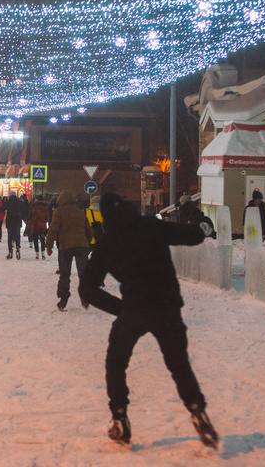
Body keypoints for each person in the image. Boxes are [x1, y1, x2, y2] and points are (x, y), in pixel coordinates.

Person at [78, 192, 218, 449]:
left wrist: (122, 309)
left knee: (116, 363)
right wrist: (202, 227)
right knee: (179, 365)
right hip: (167, 306)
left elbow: (86, 289)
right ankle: (198, 410)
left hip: (134, 309)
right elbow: (192, 236)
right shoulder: (150, 225)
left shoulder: (107, 243)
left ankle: (120, 418)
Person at [45, 190, 93, 311]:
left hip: (66, 247)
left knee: (65, 273)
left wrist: (48, 245)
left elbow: (53, 229)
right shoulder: (80, 212)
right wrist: (86, 244)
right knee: (83, 273)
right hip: (81, 246)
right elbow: (90, 231)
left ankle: (63, 299)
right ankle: (86, 297)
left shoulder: (59, 211)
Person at [0, 191, 24, 260]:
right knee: (17, 235)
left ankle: (10, 251)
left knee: (10, 237)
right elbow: (24, 211)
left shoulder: (7, 202)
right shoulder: (20, 202)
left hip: (10, 222)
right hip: (17, 222)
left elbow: (0, 210)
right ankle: (17, 247)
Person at [28, 195, 49, 260]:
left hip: (35, 225)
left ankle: (37, 254)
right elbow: (47, 217)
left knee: (35, 240)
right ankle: (43, 253)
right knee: (42, 240)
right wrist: (44, 221)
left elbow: (31, 215)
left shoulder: (34, 206)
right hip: (42, 225)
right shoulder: (45, 207)